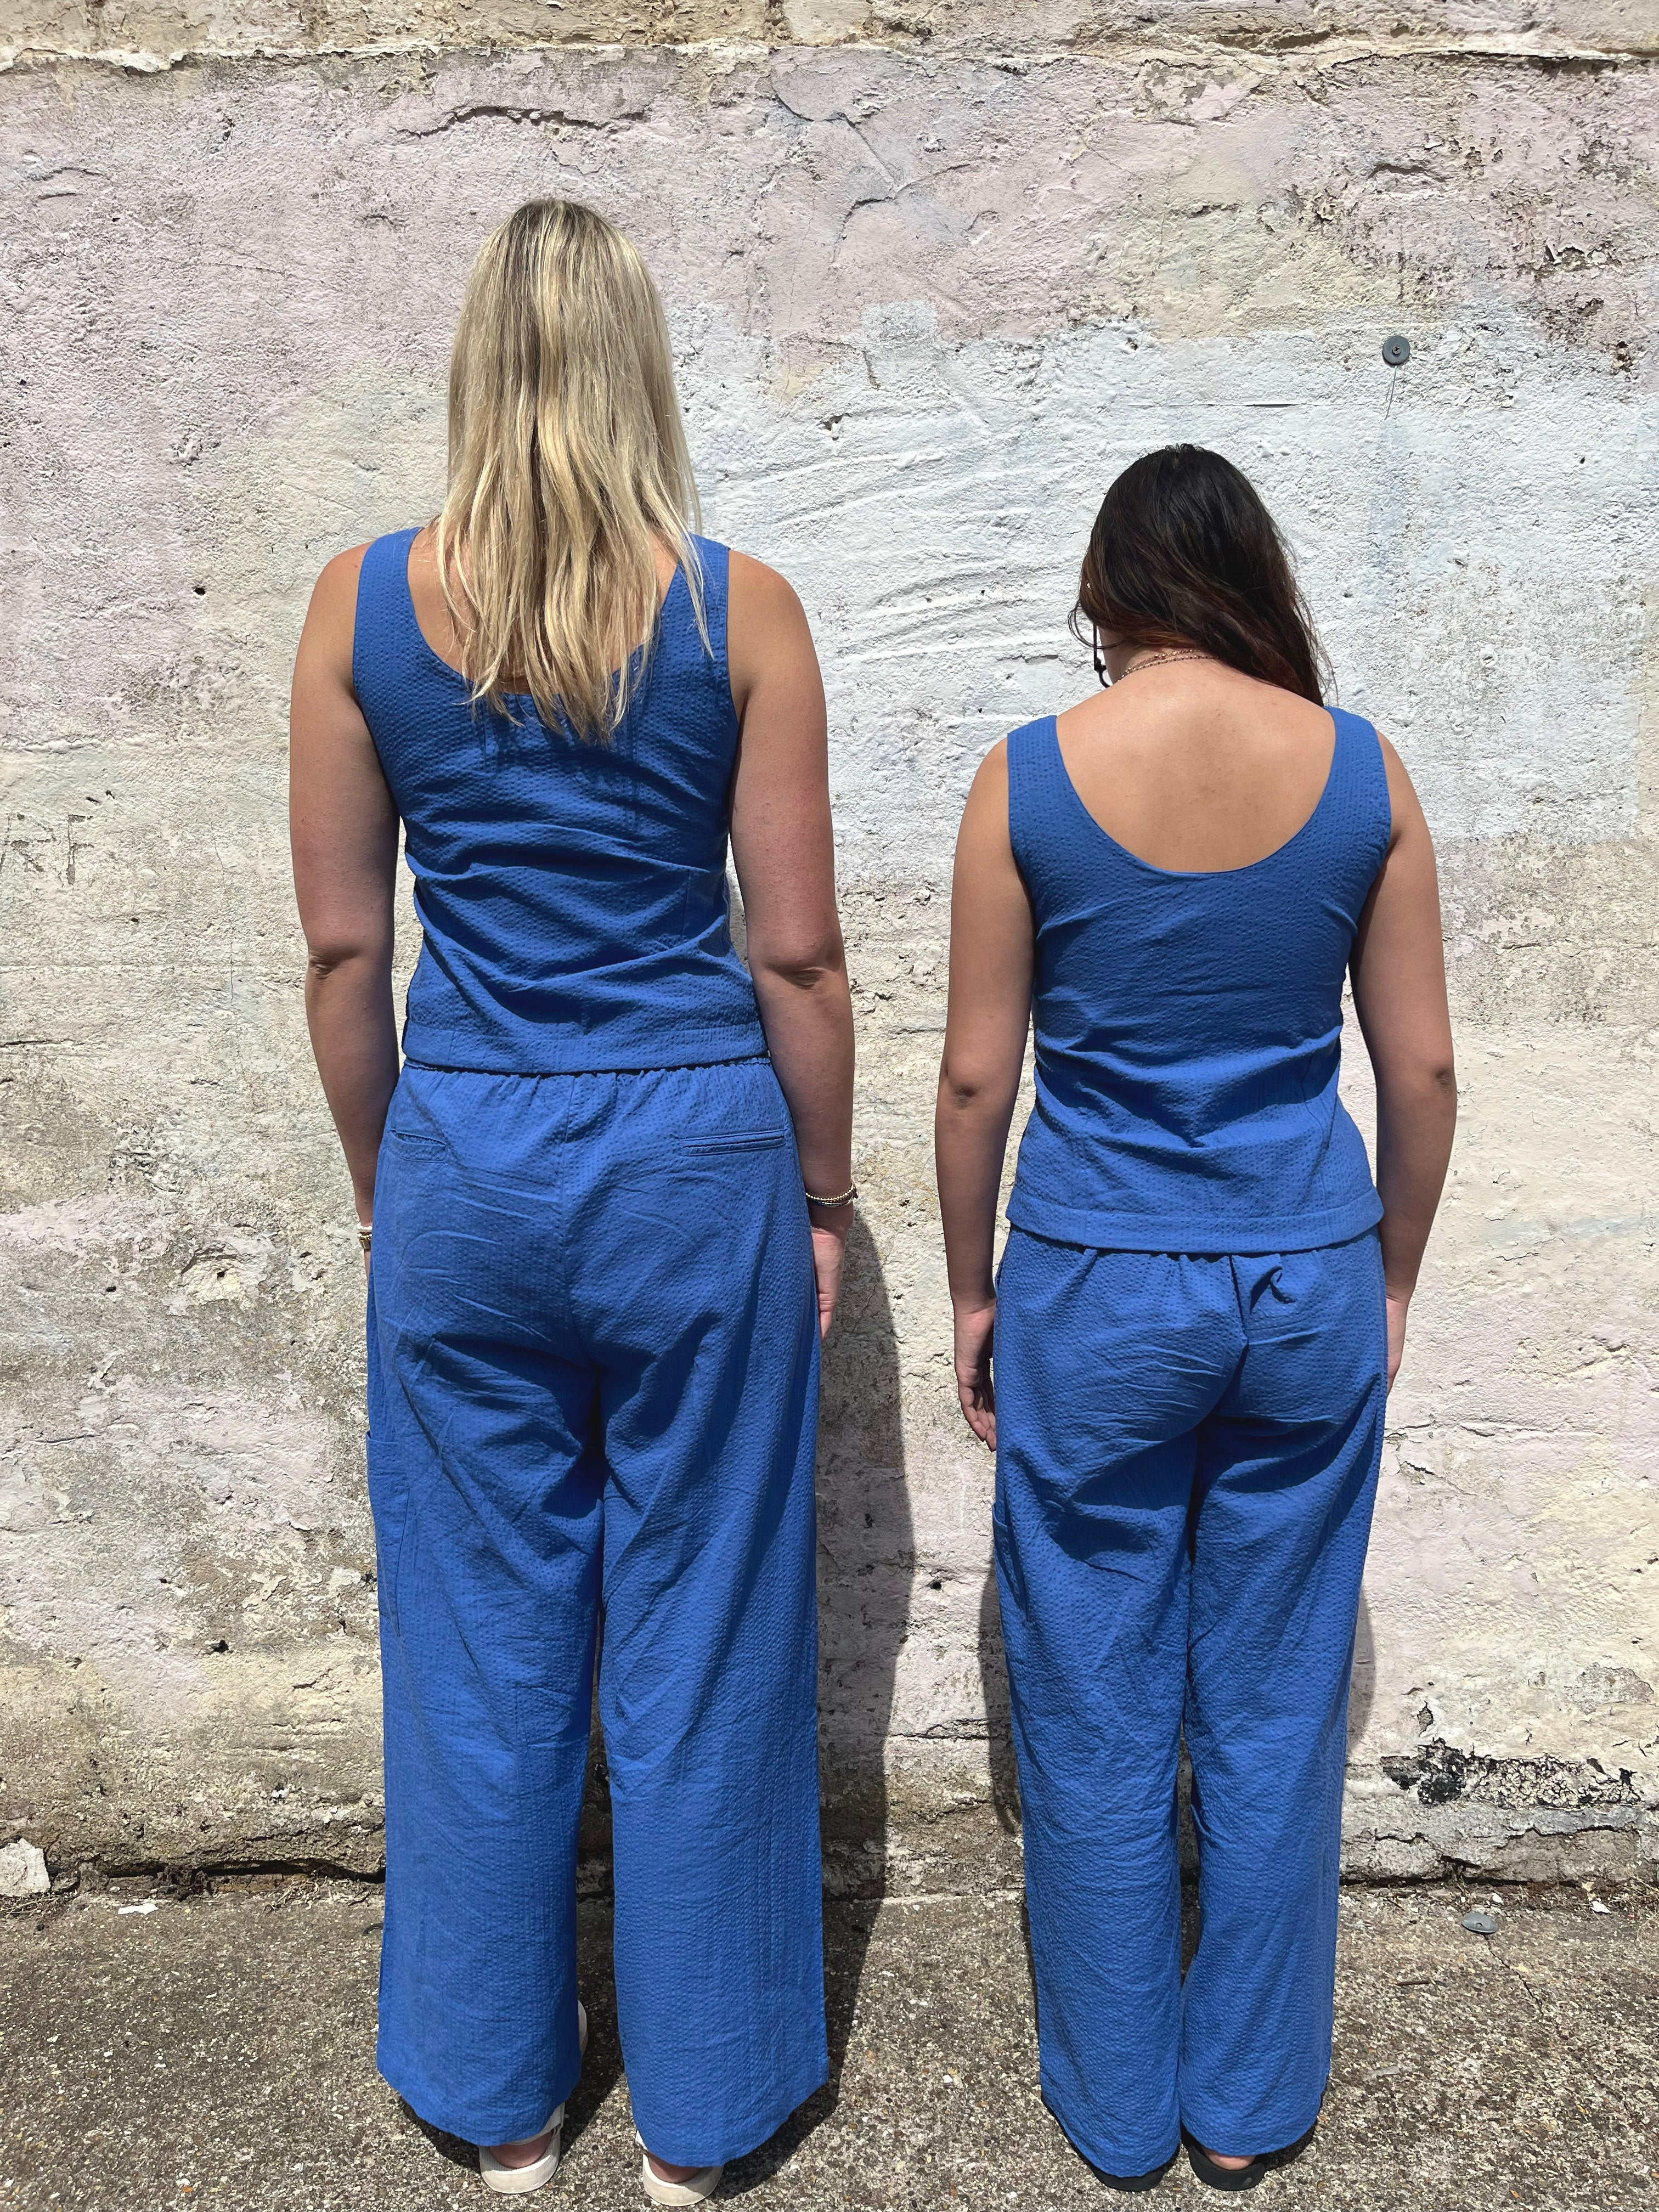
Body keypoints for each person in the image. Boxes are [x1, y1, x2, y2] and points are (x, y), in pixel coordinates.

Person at [289, 199, 855, 2205]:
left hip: (469, 1153)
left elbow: (345, 957)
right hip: (695, 1162)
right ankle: (703, 2119)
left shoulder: (358, 609)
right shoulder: (742, 614)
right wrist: (823, 1193)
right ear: (642, 371)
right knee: (707, 1628)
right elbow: (797, 957)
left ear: (474, 366)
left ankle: (502, 2098)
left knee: (480, 1637)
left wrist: (391, 1180)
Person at [935, 446, 1455, 2193]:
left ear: (1109, 596)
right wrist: (1392, 1271)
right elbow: (1422, 1070)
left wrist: (970, 1287)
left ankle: (1115, 2112)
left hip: (1096, 1282)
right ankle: (1245, 2112)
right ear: (1252, 582)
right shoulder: (1363, 773)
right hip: (1305, 1273)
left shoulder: (1027, 780)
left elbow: (974, 1079)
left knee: (1093, 1705)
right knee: (1276, 1702)